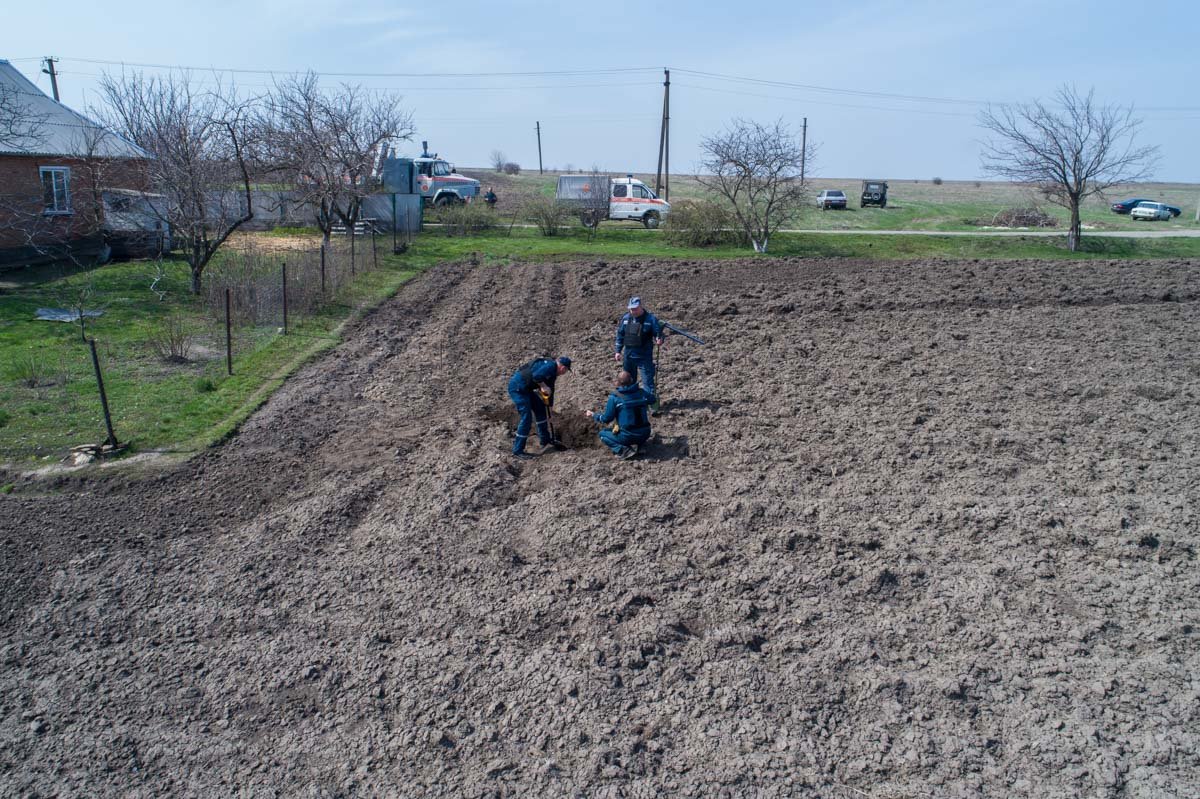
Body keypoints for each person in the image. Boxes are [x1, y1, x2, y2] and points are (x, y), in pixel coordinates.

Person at [507, 355, 571, 459]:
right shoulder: (550, 366)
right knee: (526, 417)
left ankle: (545, 440)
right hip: (518, 388)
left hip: (526, 389)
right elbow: (536, 376)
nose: (564, 373)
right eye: (566, 371)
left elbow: (551, 389)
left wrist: (550, 408)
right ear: (563, 368)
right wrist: (543, 386)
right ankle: (518, 450)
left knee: (541, 409)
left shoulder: (553, 371)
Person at [587, 370, 655, 460]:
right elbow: (653, 400)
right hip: (645, 433)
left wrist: (594, 415)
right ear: (632, 380)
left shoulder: (615, 397)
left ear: (618, 383)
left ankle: (624, 450)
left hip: (627, 436)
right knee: (637, 429)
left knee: (603, 434)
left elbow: (607, 419)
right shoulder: (641, 392)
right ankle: (641, 446)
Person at [613, 296, 664, 414]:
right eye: (631, 309)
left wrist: (659, 339)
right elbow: (620, 335)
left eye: (635, 309)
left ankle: (650, 405)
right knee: (628, 381)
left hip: (644, 356)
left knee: (647, 381)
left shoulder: (650, 319)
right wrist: (617, 351)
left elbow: (658, 333)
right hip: (629, 355)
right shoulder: (625, 319)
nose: (633, 311)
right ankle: (630, 403)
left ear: (640, 307)